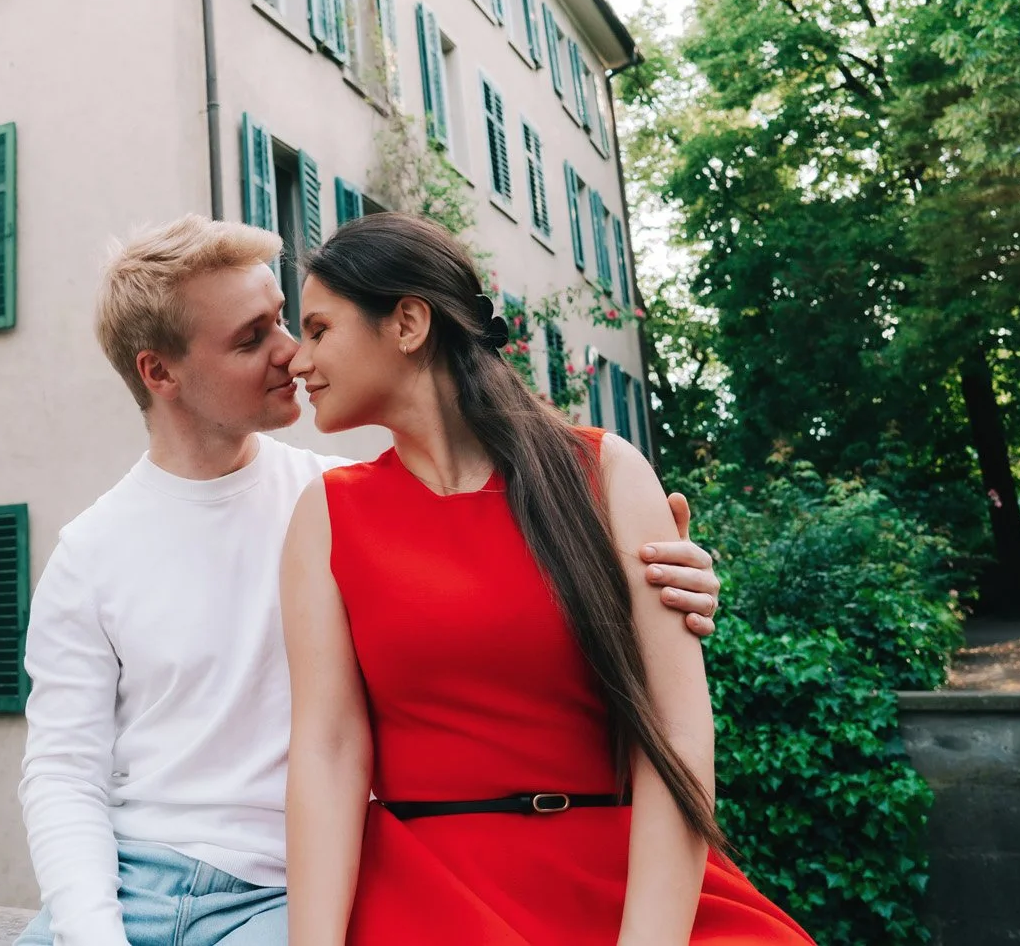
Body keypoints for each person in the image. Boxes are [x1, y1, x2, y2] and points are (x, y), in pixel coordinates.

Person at [16, 216, 723, 946]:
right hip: (137, 878)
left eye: (297, 324)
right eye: (253, 337)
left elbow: (500, 563)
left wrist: (673, 580)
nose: (293, 355)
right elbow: (63, 772)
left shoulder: (335, 501)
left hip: (286, 890)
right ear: (159, 373)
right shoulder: (92, 551)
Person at [280, 213, 813, 945]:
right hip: (434, 893)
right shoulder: (327, 515)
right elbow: (329, 749)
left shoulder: (609, 472)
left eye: (317, 329)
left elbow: (680, 733)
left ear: (406, 322)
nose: (297, 360)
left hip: (635, 880)